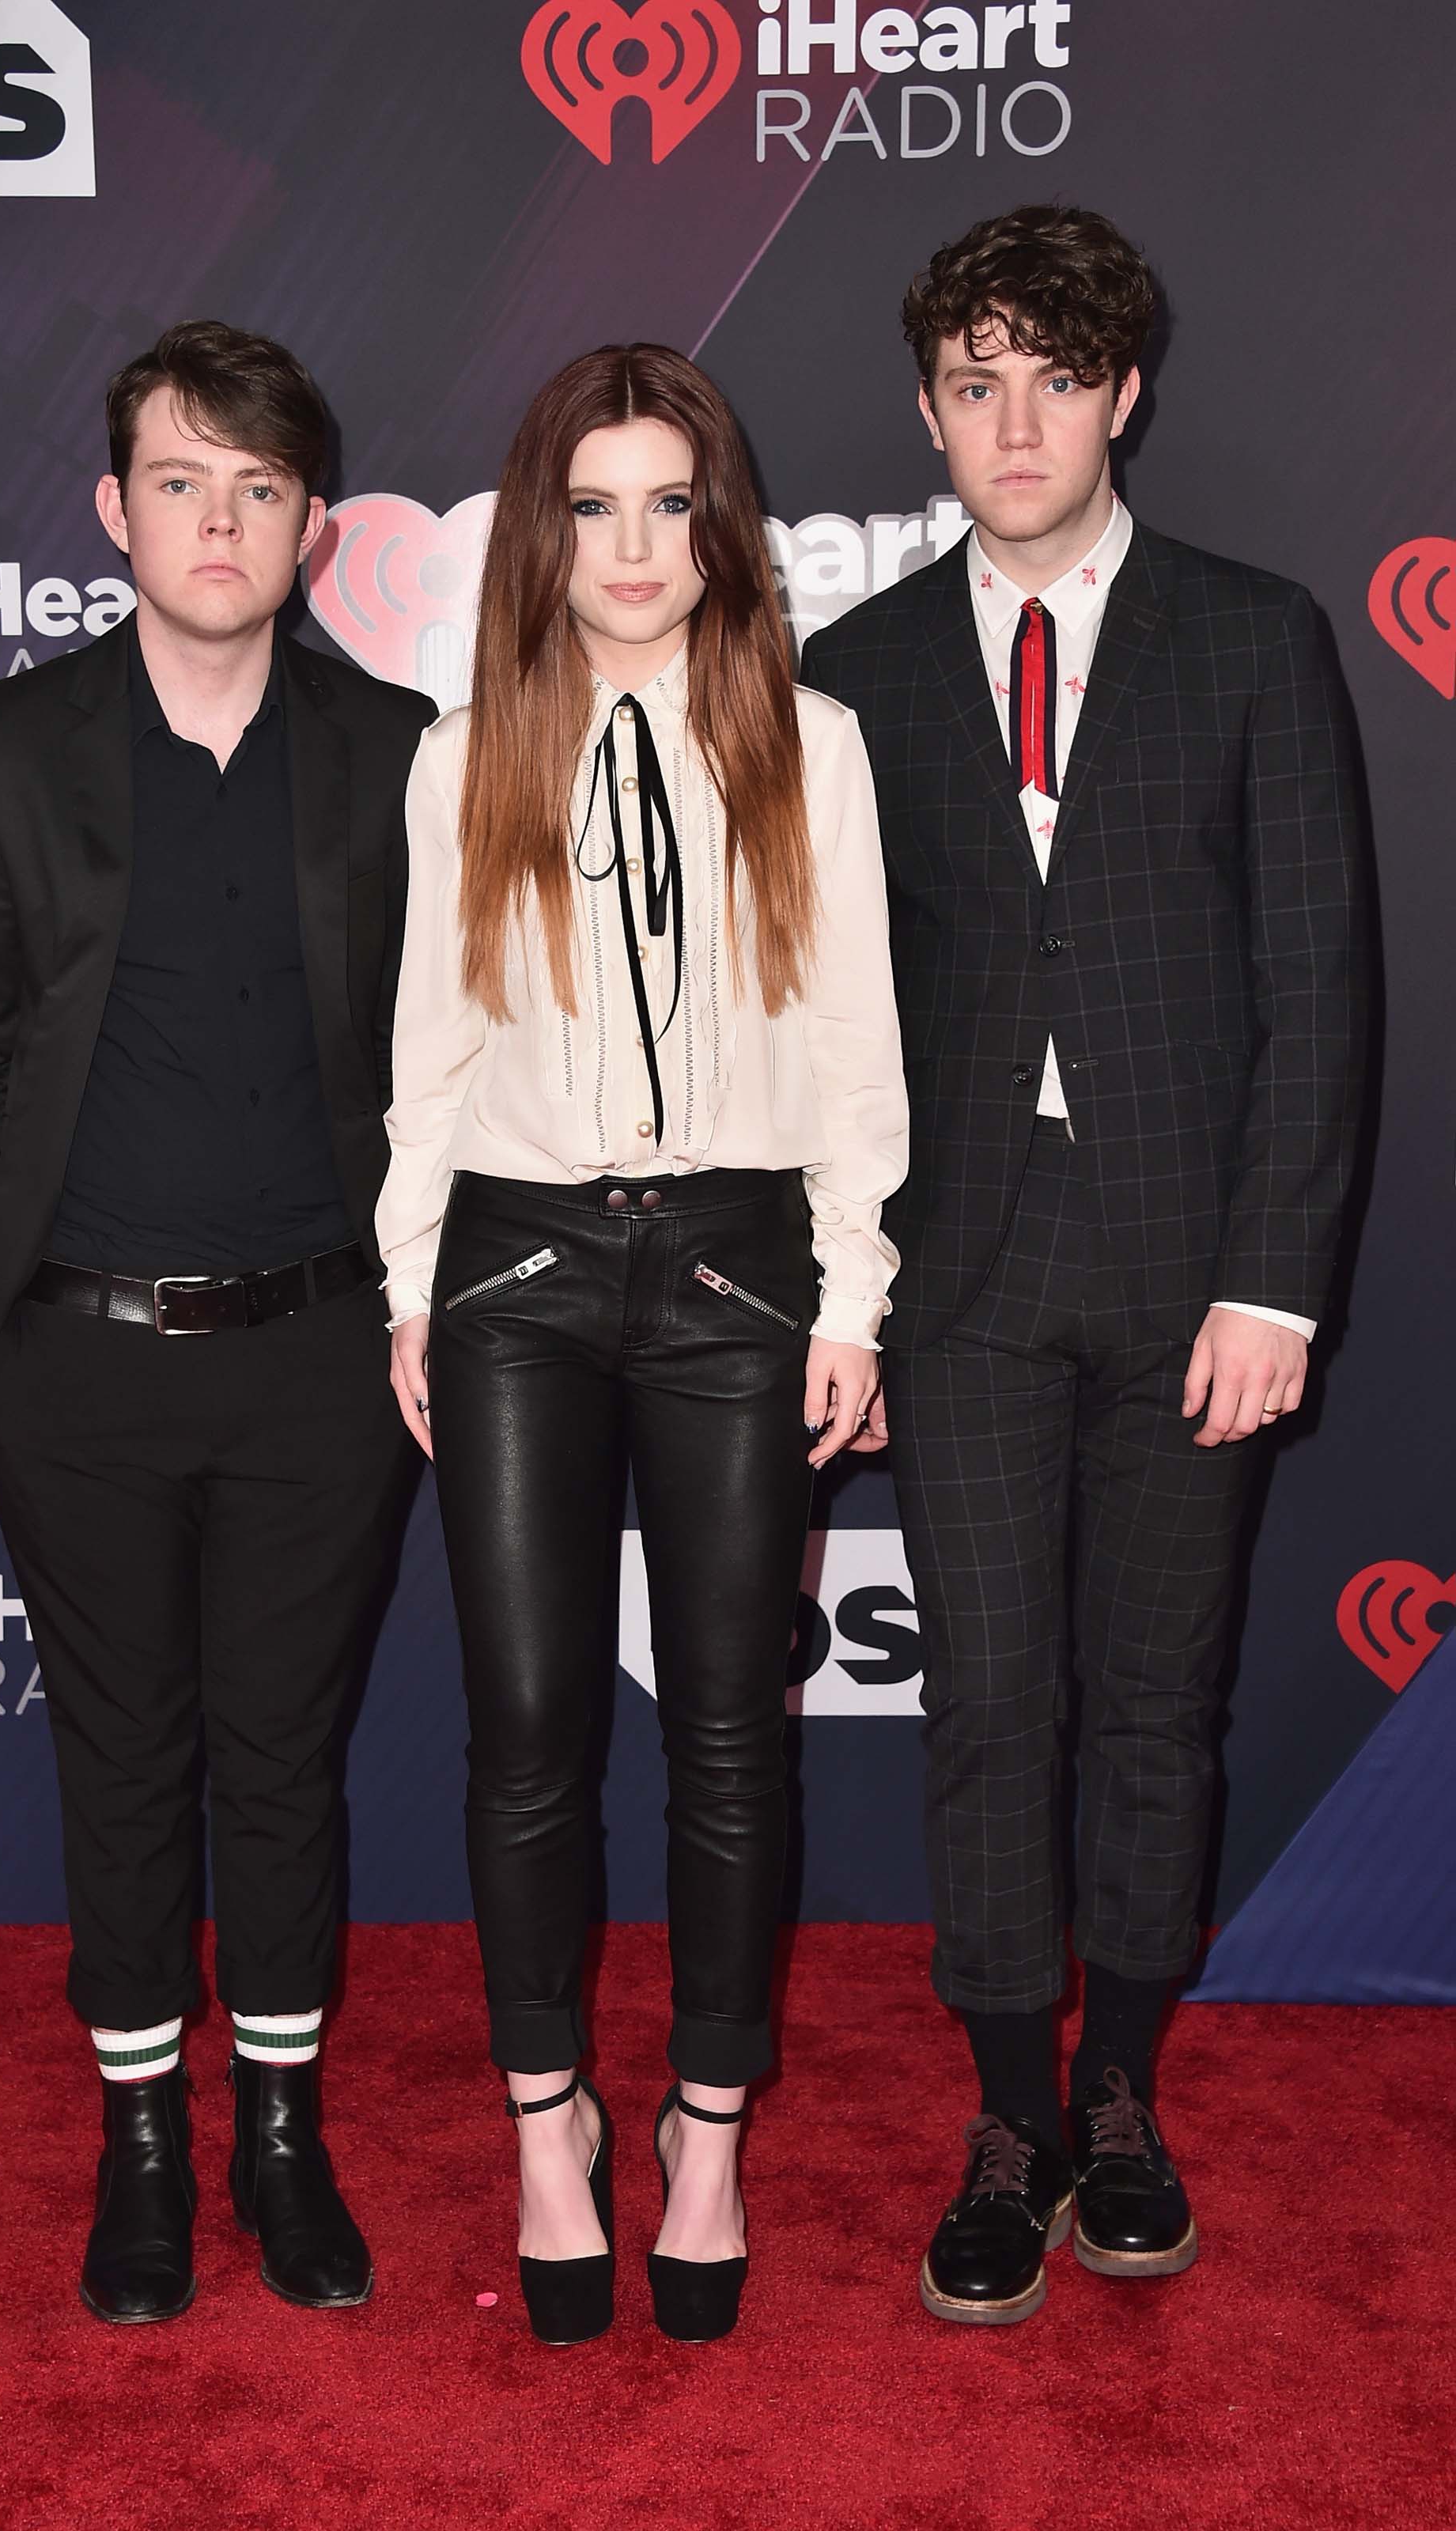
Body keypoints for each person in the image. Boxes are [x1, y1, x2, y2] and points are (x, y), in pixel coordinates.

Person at [802, 205, 1363, 2326]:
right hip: (959, 1274)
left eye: (1050, 376)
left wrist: (1272, 1279)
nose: (1009, 419)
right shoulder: (845, 678)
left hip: (1183, 1279)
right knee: (986, 1716)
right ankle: (1004, 2119)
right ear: (925, 412)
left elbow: (1315, 989)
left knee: (1151, 1708)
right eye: (971, 382)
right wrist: (835, 1298)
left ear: (1120, 394)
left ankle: (1118, 2098)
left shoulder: (1252, 636)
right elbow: (819, 1025)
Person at [0, 320, 435, 2325]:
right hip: (73, 1357)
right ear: (116, 512)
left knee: (284, 1761)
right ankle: (140, 2149)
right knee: (124, 1759)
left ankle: (281, 2141)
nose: (222, 520)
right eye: (182, 482)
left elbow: (459, 1057)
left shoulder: (395, 751)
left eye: (262, 485)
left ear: (313, 524)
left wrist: (418, 1314)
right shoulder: (7, 749)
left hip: (325, 1355)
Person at [377, 342, 907, 2345]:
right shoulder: (462, 755)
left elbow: (858, 1047)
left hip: (737, 1268)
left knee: (722, 1728)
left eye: (666, 503)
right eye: (590, 506)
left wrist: (851, 1294)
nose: (629, 546)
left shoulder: (812, 743)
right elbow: (427, 1058)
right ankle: (544, 2125)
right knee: (523, 1732)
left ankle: (701, 2130)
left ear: (719, 524)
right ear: (542, 529)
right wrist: (412, 1284)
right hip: (511, 1267)